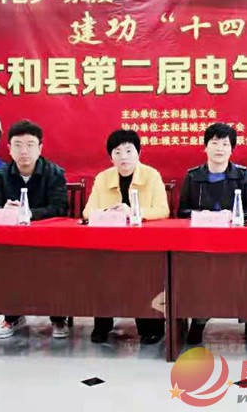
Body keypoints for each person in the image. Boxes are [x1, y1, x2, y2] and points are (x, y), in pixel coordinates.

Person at [177, 123, 247, 347]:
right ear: (205, 147)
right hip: (201, 242)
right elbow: (182, 211)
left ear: (232, 149)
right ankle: (199, 320)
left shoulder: (242, 175)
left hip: (236, 240)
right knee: (201, 275)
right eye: (214, 143)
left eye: (225, 144)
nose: (219, 148)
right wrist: (203, 215)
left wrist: (231, 216)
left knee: (244, 273)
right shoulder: (193, 176)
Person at [0, 119, 69, 339]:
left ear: (40, 148)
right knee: (5, 263)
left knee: (57, 264)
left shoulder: (54, 173)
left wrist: (29, 213)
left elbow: (60, 208)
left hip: (48, 241)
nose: (24, 151)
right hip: (13, 242)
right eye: (18, 145)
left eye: (30, 145)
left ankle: (58, 317)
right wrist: (4, 210)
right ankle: (12, 316)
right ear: (9, 149)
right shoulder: (0, 175)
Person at [83, 129, 169, 345]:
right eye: (117, 152)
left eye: (129, 151)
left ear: (139, 153)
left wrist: (133, 212)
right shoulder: (103, 178)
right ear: (110, 157)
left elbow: (163, 210)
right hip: (109, 243)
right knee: (101, 269)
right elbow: (87, 212)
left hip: (143, 244)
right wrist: (109, 213)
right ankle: (103, 324)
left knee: (145, 272)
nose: (124, 157)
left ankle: (150, 326)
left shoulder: (151, 175)